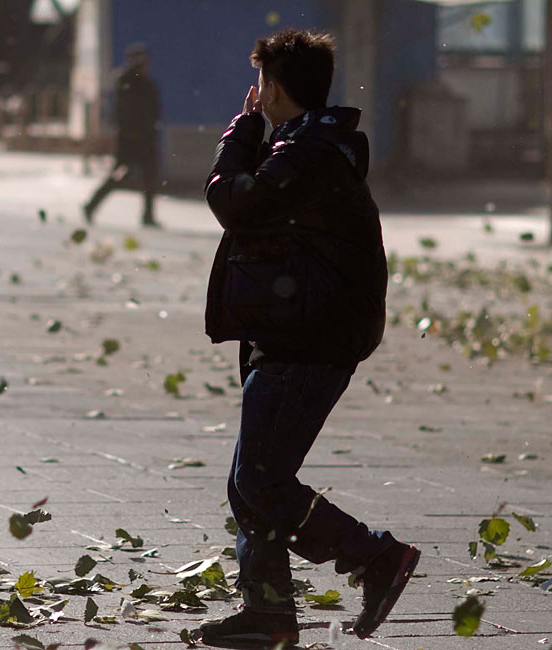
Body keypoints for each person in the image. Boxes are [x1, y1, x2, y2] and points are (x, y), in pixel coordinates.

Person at [197, 28, 420, 648]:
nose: (257, 95)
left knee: (262, 481)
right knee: (251, 482)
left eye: (262, 83)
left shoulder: (309, 154)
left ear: (274, 88)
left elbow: (234, 201)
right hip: (292, 330)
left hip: (308, 338)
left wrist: (239, 133)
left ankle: (374, 557)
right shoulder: (305, 145)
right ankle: (268, 614)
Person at [83, 42, 161, 228]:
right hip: (131, 139)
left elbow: (151, 110)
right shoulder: (128, 82)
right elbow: (125, 112)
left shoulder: (143, 83)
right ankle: (91, 205)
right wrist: (131, 132)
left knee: (148, 176)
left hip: (144, 138)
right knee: (121, 175)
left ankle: (148, 215)